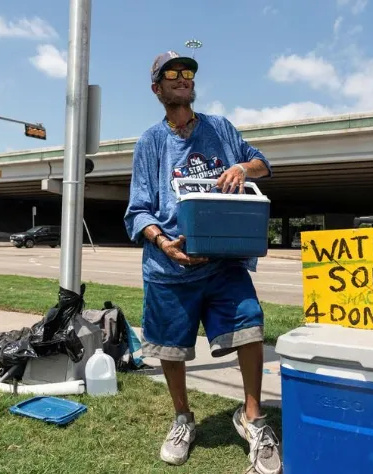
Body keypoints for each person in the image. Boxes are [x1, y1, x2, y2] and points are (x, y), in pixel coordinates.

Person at [124, 51, 282, 474]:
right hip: (169, 268)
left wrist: (242, 168)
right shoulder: (151, 143)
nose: (182, 78)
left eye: (187, 72)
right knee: (171, 348)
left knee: (250, 328)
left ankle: (253, 419)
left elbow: (264, 164)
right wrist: (163, 243)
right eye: (171, 74)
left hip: (224, 261)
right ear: (157, 88)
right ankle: (182, 420)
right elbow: (137, 211)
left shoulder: (221, 129)